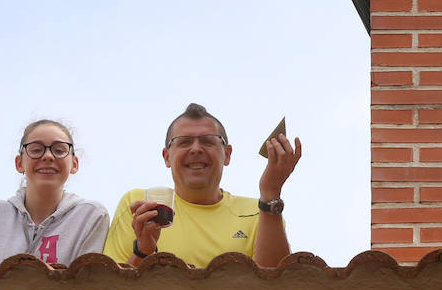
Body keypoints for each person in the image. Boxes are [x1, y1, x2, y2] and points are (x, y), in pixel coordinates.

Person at [102, 102, 301, 268]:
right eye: (184, 142)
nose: (196, 149)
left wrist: (270, 192)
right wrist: (143, 251)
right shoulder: (141, 204)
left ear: (227, 154)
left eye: (208, 141)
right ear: (166, 157)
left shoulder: (261, 211)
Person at [0, 120, 108, 266]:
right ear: (19, 163)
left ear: (74, 163)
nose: (48, 156)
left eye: (59, 150)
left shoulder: (91, 215)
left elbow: (86, 286)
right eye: (36, 150)